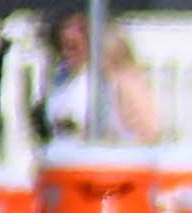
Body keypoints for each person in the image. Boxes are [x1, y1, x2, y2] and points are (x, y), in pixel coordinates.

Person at [43, 11, 167, 145]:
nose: (65, 54)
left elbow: (148, 133)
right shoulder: (62, 80)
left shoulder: (123, 80)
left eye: (74, 47)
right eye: (62, 47)